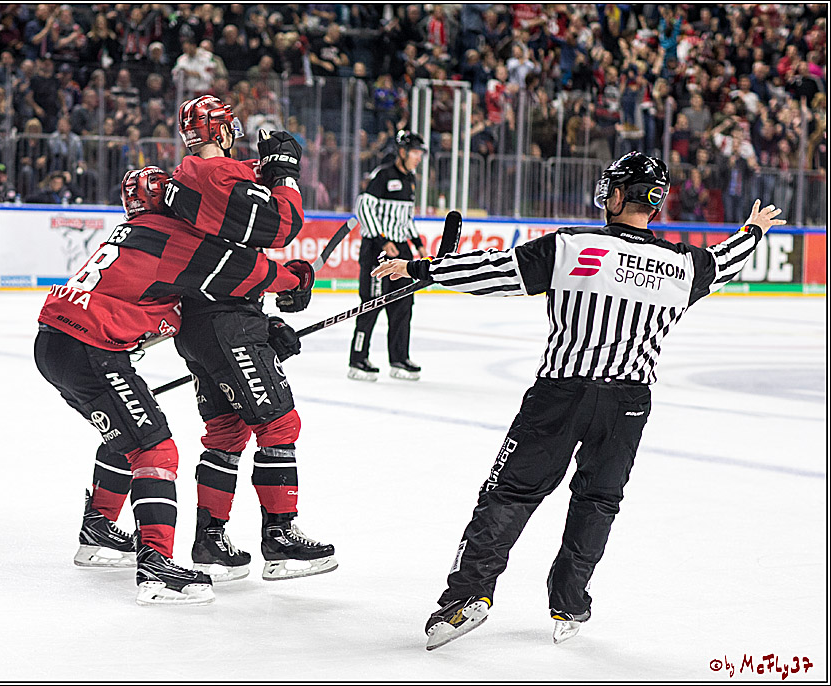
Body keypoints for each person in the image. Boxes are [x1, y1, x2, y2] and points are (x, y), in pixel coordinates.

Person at [371, 151, 786, 650]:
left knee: (510, 494)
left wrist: (423, 268)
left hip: (561, 393)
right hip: (629, 404)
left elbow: (494, 272)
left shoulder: (573, 247)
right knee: (598, 500)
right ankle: (570, 600)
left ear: (617, 194)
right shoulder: (683, 265)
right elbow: (725, 262)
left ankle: (467, 599)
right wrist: (754, 230)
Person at [35, 165, 312, 604]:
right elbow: (245, 271)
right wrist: (296, 279)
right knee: (155, 448)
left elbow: (163, 311)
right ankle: (156, 570)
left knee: (129, 432)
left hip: (56, 343)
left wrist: (264, 329)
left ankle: (98, 531)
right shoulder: (172, 237)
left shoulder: (129, 234)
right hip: (88, 349)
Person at [162, 94, 337, 582]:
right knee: (279, 425)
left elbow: (232, 242)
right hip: (226, 321)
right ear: (219, 129)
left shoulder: (191, 178)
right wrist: (283, 175)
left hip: (203, 321)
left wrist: (266, 314)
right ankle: (279, 539)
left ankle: (209, 540)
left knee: (227, 432)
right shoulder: (214, 176)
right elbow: (281, 225)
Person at [347, 130, 429, 382]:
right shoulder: (383, 175)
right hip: (377, 251)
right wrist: (383, 240)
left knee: (404, 304)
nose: (418, 158)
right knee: (371, 304)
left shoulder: (410, 180)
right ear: (402, 152)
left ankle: (399, 359)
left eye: (420, 153)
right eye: (415, 152)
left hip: (400, 250)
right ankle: (358, 360)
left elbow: (406, 218)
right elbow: (364, 207)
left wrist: (417, 243)